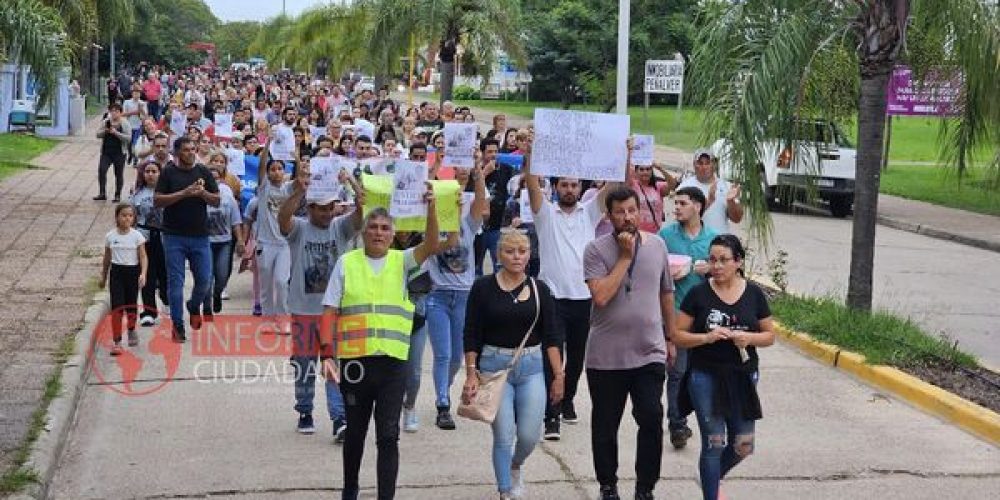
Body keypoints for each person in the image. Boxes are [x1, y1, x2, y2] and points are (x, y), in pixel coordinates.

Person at [320, 198, 440, 500]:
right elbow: (330, 310)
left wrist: (433, 208)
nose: (378, 232)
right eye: (372, 227)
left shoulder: (403, 261)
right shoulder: (347, 263)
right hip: (355, 364)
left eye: (385, 228)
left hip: (392, 364)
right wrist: (325, 354)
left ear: (393, 233)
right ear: (363, 231)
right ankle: (350, 490)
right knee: (356, 434)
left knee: (388, 436)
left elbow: (433, 242)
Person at [583, 186, 677, 500]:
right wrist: (624, 257)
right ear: (609, 217)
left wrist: (670, 338)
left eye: (632, 210)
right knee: (605, 426)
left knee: (651, 416)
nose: (627, 217)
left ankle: (645, 487)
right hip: (606, 356)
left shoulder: (658, 245)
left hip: (648, 350)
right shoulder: (595, 250)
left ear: (640, 211)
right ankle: (607, 485)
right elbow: (601, 295)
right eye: (620, 212)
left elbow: (666, 294)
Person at [461, 230, 564, 500]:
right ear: (499, 254)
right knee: (504, 434)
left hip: (531, 367)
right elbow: (471, 332)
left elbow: (552, 335)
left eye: (522, 251)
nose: (516, 257)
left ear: (529, 254)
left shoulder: (540, 289)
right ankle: (505, 490)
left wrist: (559, 374)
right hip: (494, 367)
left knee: (530, 435)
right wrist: (471, 373)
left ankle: (515, 464)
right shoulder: (483, 287)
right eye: (510, 251)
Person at [671, 234, 775, 500]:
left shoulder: (754, 294)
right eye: (712, 259)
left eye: (723, 260)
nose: (716, 266)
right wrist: (705, 337)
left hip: (742, 376)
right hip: (705, 376)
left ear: (738, 262)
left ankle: (710, 476)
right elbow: (678, 334)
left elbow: (769, 336)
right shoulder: (698, 293)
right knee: (714, 442)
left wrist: (748, 338)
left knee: (743, 443)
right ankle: (711, 490)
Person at [522, 136, 611, 440]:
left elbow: (614, 185)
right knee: (552, 355)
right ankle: (552, 414)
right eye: (564, 185)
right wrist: (531, 152)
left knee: (577, 357)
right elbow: (532, 184)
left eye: (574, 185)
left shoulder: (590, 212)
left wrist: (618, 153)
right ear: (556, 187)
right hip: (552, 297)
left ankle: (568, 396)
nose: (570, 190)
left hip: (584, 297)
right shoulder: (545, 213)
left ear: (580, 188)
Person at [279, 165, 362, 439]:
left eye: (330, 208)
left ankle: (339, 418)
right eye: (320, 208)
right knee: (304, 365)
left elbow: (361, 213)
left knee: (334, 365)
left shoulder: (340, 228)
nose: (326, 213)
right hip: (303, 310)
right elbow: (283, 219)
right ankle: (305, 410)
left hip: (334, 312)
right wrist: (298, 191)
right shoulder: (300, 229)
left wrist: (350, 180)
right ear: (310, 208)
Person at [425, 162, 488, 429]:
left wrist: (479, 173)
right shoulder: (431, 222)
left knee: (455, 358)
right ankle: (442, 404)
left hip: (464, 296)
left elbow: (481, 202)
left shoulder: (468, 223)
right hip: (437, 295)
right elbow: (424, 186)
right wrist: (435, 168)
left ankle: (445, 387)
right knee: (442, 355)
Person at [657, 186, 717, 450]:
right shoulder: (665, 235)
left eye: (682, 203)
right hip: (675, 314)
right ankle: (677, 423)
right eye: (675, 203)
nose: (676, 208)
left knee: (702, 371)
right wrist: (669, 273)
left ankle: (705, 418)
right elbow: (650, 268)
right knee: (677, 371)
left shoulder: (713, 239)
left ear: (698, 206)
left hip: (705, 319)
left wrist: (712, 270)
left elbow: (729, 273)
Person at [154, 137, 221, 342]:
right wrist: (184, 193)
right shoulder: (168, 173)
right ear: (177, 153)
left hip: (200, 235)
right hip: (174, 236)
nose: (191, 152)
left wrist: (203, 194)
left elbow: (217, 200)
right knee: (176, 283)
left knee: (204, 279)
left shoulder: (203, 172)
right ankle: (178, 325)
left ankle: (194, 304)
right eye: (186, 150)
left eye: (193, 149)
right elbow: (157, 200)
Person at [99, 204, 148, 355]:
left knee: (131, 305)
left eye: (130, 216)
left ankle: (132, 329)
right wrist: (104, 276)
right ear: (117, 217)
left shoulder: (137, 236)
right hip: (117, 273)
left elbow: (143, 256)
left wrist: (143, 273)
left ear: (134, 219)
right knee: (117, 307)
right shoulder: (111, 236)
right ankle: (117, 341)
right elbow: (107, 258)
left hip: (132, 273)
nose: (127, 218)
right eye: (123, 215)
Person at [202, 158, 245, 316]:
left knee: (221, 275)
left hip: (224, 242)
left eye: (216, 177)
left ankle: (217, 294)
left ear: (221, 179)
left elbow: (236, 221)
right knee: (206, 276)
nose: (213, 180)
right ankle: (207, 306)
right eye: (210, 177)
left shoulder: (228, 198)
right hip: (204, 243)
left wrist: (240, 240)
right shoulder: (199, 197)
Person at [131, 161, 168, 326]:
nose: (151, 174)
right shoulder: (137, 193)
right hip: (144, 238)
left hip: (165, 238)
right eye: (148, 171)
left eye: (154, 171)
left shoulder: (168, 192)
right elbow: (130, 215)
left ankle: (166, 298)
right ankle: (148, 311)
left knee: (165, 273)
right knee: (147, 274)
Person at [678, 149, 744, 234]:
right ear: (694, 165)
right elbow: (682, 219)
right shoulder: (685, 187)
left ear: (714, 165)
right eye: (700, 163)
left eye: (707, 163)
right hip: (695, 241)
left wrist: (730, 201)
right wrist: (708, 201)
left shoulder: (727, 186)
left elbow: (737, 219)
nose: (704, 167)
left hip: (720, 241)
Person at [95, 103, 132, 202]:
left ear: (120, 113)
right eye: (112, 111)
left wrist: (116, 133)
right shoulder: (106, 122)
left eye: (117, 111)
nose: (114, 113)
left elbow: (128, 138)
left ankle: (117, 194)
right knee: (102, 171)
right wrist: (106, 131)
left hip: (119, 153)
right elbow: (97, 134)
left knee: (118, 174)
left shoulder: (125, 123)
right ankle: (102, 193)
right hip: (106, 152)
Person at [626, 161, 675, 233]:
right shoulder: (632, 185)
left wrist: (660, 168)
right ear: (636, 172)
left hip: (654, 231)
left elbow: (673, 184)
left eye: (648, 169)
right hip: (635, 231)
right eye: (641, 169)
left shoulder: (658, 186)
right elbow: (626, 172)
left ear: (652, 171)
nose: (645, 172)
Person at [123, 88, 148, 166]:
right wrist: (134, 112)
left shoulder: (142, 103)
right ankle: (131, 155)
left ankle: (135, 159)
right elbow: (123, 114)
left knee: (135, 143)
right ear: (132, 94)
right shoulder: (127, 102)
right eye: (135, 93)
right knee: (129, 144)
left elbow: (145, 116)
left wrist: (141, 110)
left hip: (138, 126)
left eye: (138, 93)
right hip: (129, 125)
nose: (136, 95)